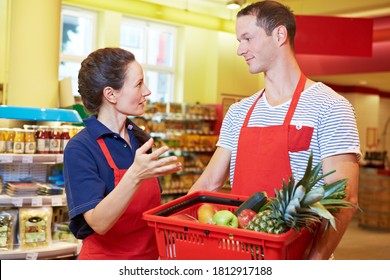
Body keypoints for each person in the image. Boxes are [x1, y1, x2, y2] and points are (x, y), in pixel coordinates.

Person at [189, 0, 361, 260]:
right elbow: (209, 183)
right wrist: (176, 221)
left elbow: (345, 197)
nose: (240, 50)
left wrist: (314, 261)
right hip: (237, 253)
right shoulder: (239, 112)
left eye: (247, 38)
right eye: (239, 40)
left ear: (279, 34)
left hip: (297, 255)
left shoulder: (331, 107)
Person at [63, 47, 182, 260]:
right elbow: (98, 223)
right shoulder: (81, 148)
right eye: (138, 84)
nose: (147, 91)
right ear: (110, 94)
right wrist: (135, 175)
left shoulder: (141, 139)